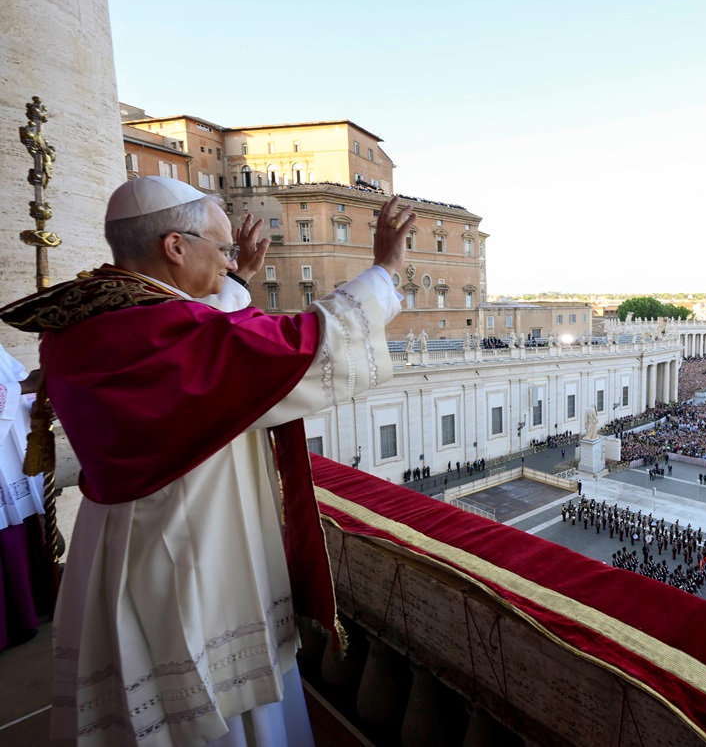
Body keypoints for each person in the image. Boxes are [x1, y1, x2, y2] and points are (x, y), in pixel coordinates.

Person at [0, 176, 416, 746]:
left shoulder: (89, 317)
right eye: (219, 251)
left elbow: (209, 325)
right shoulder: (167, 333)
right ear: (174, 247)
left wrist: (237, 274)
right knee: (213, 703)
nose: (227, 264)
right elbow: (299, 342)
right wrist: (384, 272)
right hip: (189, 545)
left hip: (122, 539)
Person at [0, 345, 45, 651]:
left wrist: (37, 404)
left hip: (12, 459)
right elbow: (22, 382)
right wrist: (26, 386)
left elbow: (20, 382)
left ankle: (31, 611)